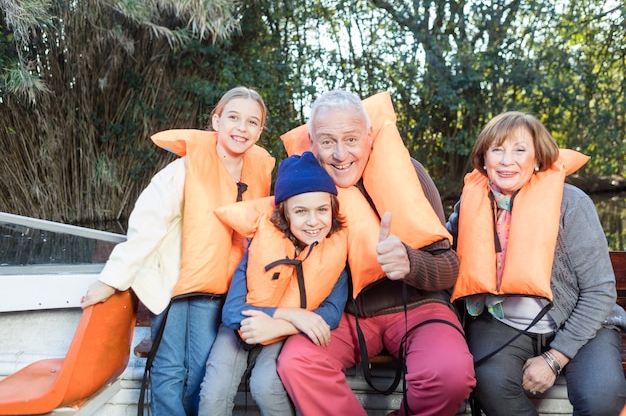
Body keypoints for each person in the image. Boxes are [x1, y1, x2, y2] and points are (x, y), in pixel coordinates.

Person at [276, 90, 476, 416]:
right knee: (297, 362)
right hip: (344, 316)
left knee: (450, 375)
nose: (341, 155)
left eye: (351, 139)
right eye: (327, 142)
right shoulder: (301, 190)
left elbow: (450, 266)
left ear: (369, 136)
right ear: (312, 143)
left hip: (419, 307)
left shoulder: (408, 174)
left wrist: (410, 262)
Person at [80, 86, 276, 416]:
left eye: (252, 122)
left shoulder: (259, 174)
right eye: (233, 117)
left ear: (259, 131)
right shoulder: (183, 170)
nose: (241, 128)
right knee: (170, 369)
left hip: (222, 296)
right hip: (173, 288)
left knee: (201, 372)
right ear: (216, 120)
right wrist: (111, 281)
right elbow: (147, 227)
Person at [446, 111, 626, 415]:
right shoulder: (470, 204)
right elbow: (441, 253)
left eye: (519, 149)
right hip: (502, 321)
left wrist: (555, 357)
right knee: (489, 385)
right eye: (497, 149)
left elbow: (600, 291)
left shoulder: (572, 203)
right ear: (483, 158)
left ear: (538, 159)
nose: (506, 161)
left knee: (602, 397)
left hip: (582, 322)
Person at [197, 151, 349, 416]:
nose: (313, 222)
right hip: (240, 329)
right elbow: (232, 313)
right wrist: (291, 315)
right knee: (214, 392)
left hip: (282, 335)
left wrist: (279, 326)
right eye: (301, 211)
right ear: (285, 214)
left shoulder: (336, 254)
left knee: (267, 386)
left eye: (322, 210)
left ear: (333, 210)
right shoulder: (262, 245)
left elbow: (332, 313)